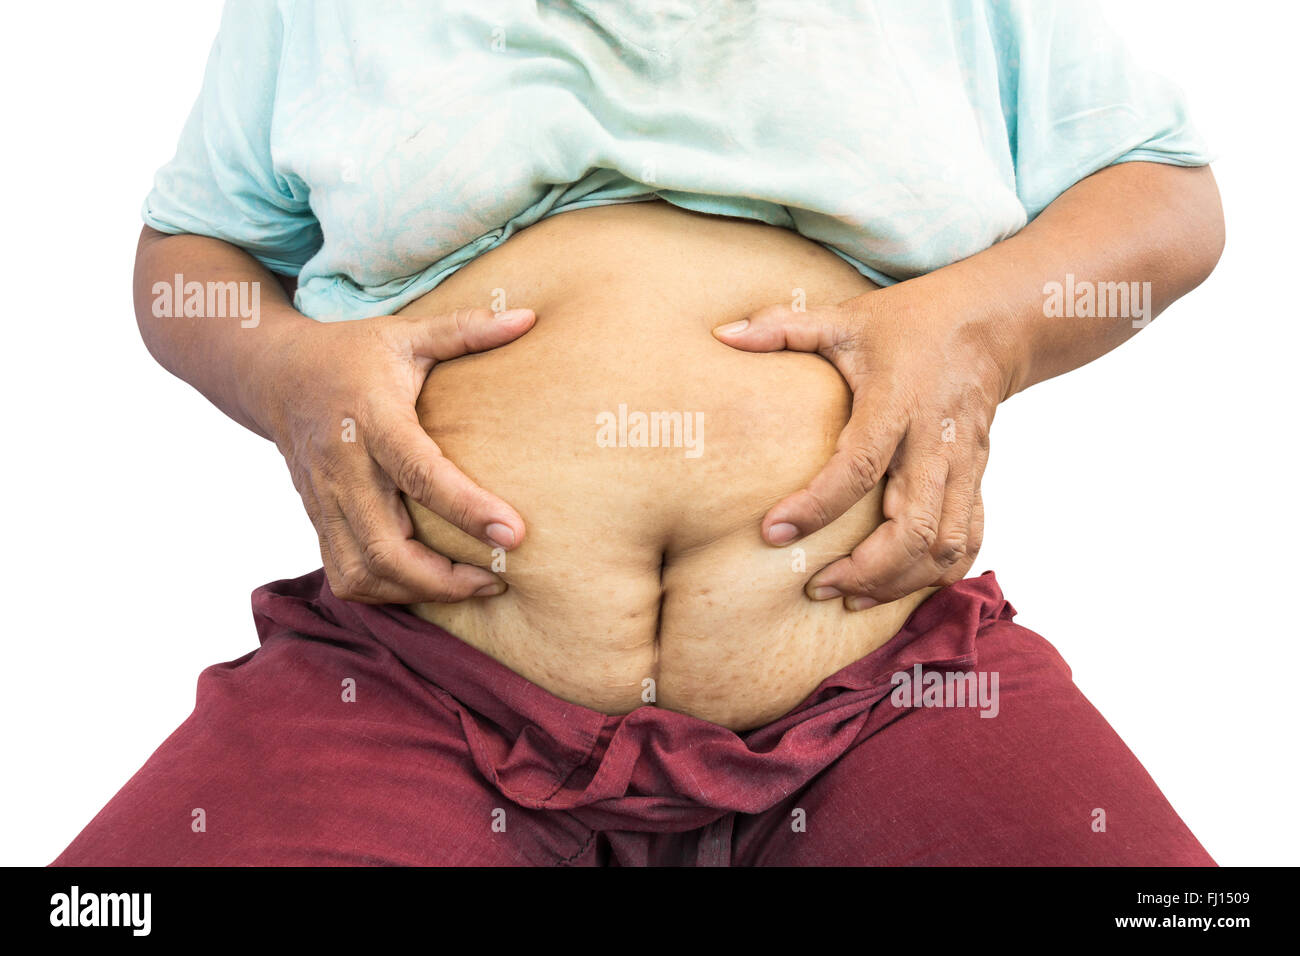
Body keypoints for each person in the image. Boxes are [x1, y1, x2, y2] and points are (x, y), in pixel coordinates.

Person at [54, 0, 1223, 865]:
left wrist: (984, 326)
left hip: (886, 679)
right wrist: (283, 370)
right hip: (415, 674)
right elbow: (188, 257)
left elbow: (1167, 197)